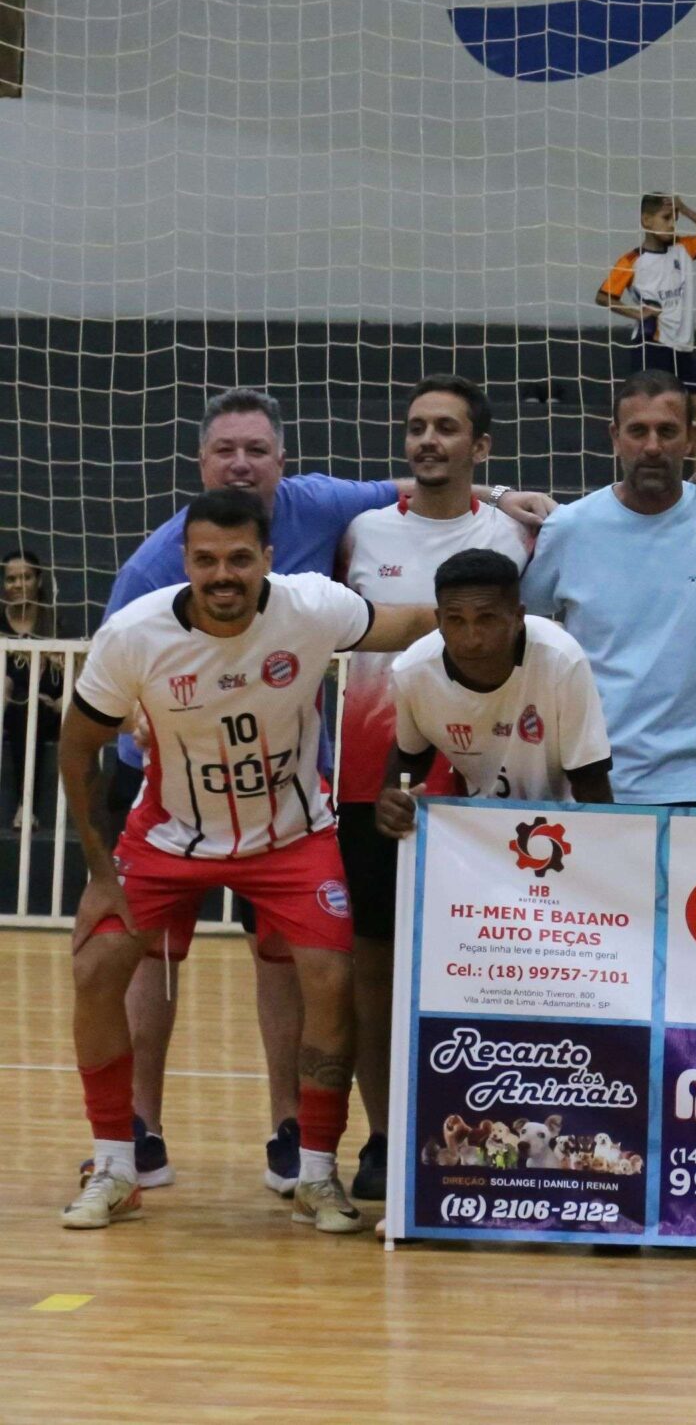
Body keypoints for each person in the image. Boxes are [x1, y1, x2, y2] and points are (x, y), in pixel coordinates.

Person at [90, 386, 552, 1199]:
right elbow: (108, 679)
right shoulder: (156, 566)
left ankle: (290, 1134)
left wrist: (500, 499)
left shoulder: (326, 508)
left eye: (257, 450)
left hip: (288, 793)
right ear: (201, 464)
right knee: (145, 961)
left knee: (294, 958)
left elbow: (408, 491)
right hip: (167, 780)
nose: (241, 462)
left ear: (280, 464)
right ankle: (138, 1132)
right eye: (225, 450)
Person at [54, 489, 441, 1234]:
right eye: (206, 560)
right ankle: (114, 1162)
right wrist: (102, 872)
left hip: (293, 836)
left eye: (239, 558)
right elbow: (76, 748)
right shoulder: (134, 635)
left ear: (267, 558)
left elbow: (416, 621)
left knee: (330, 977)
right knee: (94, 966)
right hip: (168, 838)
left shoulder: (313, 606)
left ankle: (318, 1175)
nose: (222, 573)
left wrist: (513, 630)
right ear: (185, 561)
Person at [333, 375, 534, 1200]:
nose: (427, 441)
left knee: (491, 966)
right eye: (416, 426)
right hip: (369, 784)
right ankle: (381, 1137)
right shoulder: (363, 530)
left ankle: (499, 1135)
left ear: (479, 446)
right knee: (371, 969)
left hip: (481, 791)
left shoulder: (517, 533)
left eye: (446, 428)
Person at [520, 372, 696, 808]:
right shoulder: (570, 528)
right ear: (615, 437)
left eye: (667, 431)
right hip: (592, 781)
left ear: (691, 438)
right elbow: (524, 632)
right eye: (638, 431)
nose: (652, 446)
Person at [373, 550, 615, 836]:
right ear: (439, 620)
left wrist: (602, 853)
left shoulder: (562, 659)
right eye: (455, 620)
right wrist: (392, 798)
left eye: (486, 618)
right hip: (484, 827)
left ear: (518, 617)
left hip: (566, 821)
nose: (471, 638)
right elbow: (410, 759)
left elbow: (590, 781)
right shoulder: (412, 671)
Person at [595, 192, 696, 466]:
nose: (672, 225)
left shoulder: (683, 248)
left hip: (682, 344)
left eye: (675, 219)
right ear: (646, 220)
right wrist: (636, 311)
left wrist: (686, 208)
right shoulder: (632, 260)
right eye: (666, 218)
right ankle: (638, 466)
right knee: (648, 409)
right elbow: (603, 296)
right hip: (652, 343)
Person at [4, 546, 64, 833]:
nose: (17, 585)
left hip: (46, 713)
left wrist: (57, 702)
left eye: (25, 577)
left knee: (31, 709)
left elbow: (75, 680)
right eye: (10, 579)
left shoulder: (54, 626)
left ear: (38, 581)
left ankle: (25, 806)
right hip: (5, 710)